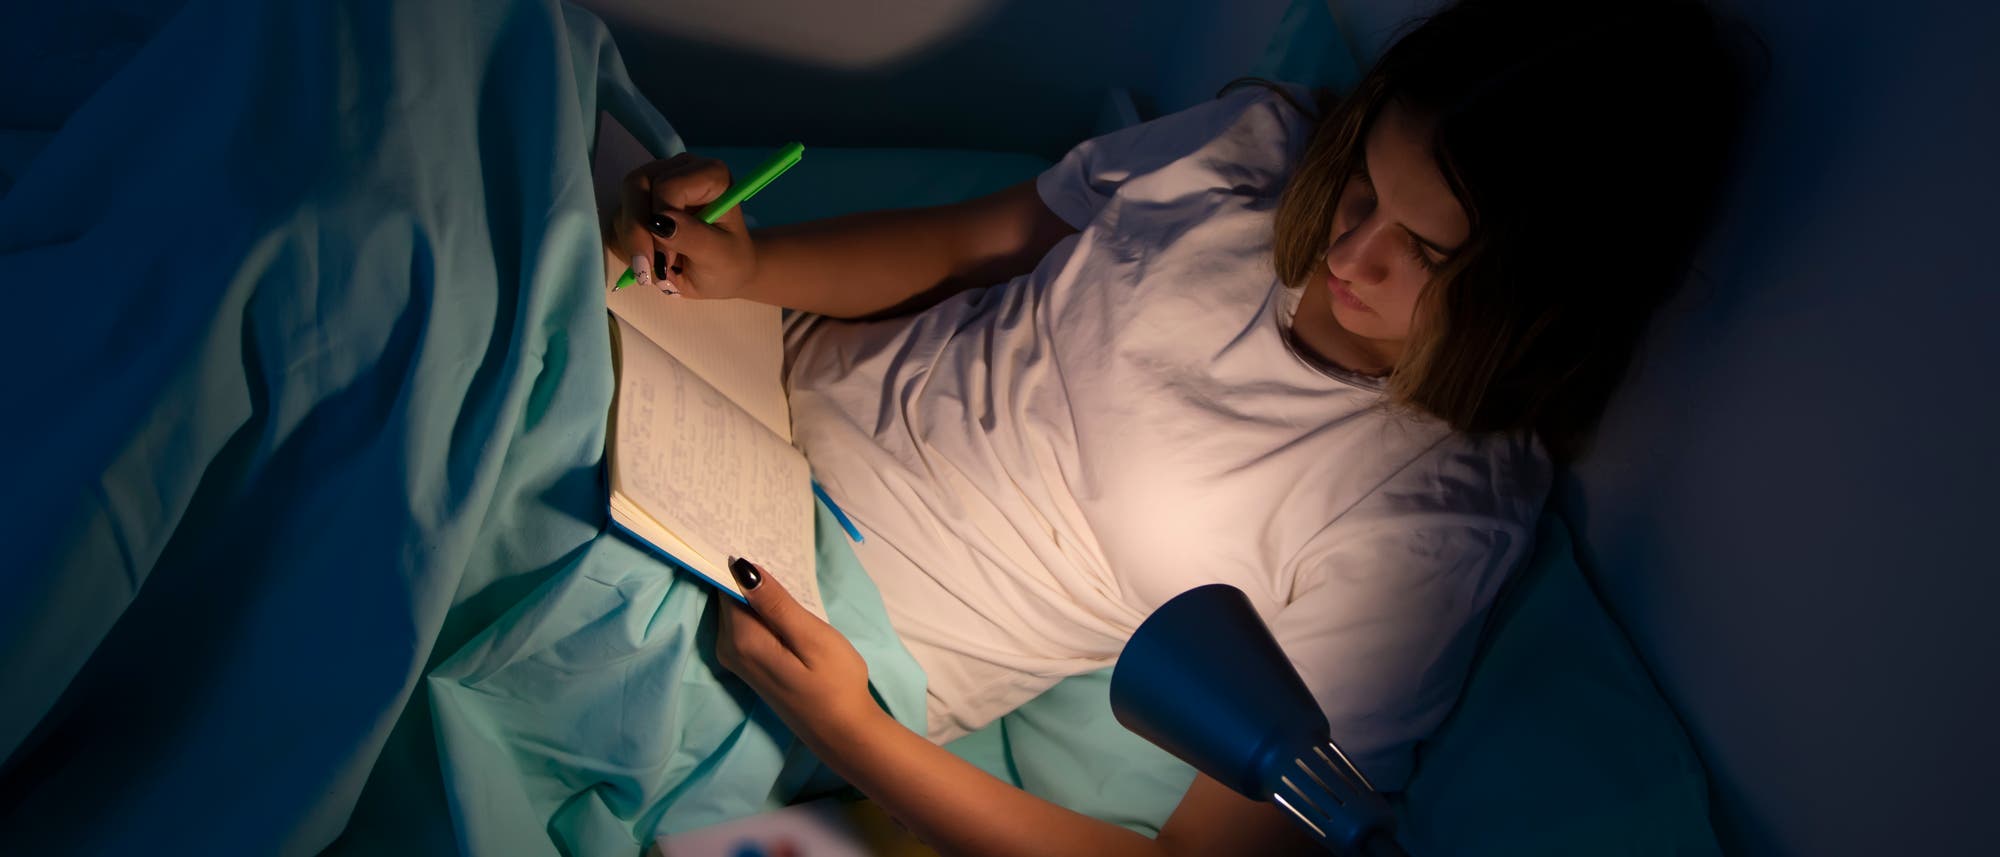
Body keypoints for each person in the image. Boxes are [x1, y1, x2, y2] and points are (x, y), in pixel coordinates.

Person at [604, 0, 1749, 853]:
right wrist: (753, 269)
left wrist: (852, 731)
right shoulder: (1253, 153)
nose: (1350, 255)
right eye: (1363, 188)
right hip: (737, 386)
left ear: (1537, 304)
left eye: (1427, 256)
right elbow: (976, 244)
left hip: (824, 624)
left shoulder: (1423, 523)